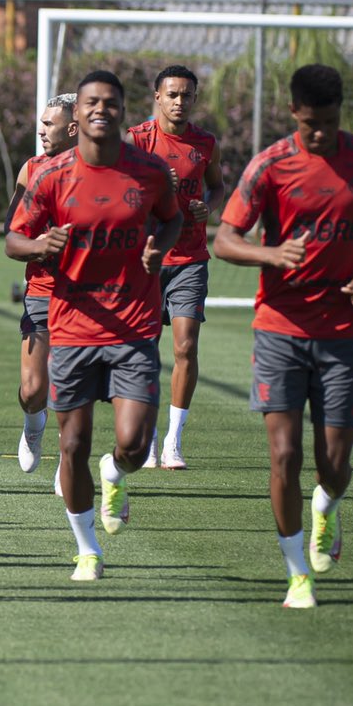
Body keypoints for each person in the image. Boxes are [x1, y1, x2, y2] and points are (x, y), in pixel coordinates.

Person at [213, 64, 353, 609]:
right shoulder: (270, 165)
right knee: (284, 454)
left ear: (341, 113)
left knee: (334, 465)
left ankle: (326, 507)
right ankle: (297, 574)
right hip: (280, 330)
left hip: (343, 332)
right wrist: (271, 254)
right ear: (294, 112)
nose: (320, 133)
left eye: (329, 123)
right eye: (311, 123)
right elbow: (225, 239)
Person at [8, 71, 181, 582]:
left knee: (134, 444)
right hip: (72, 326)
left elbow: (172, 218)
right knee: (72, 443)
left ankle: (115, 472)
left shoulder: (150, 171)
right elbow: (14, 239)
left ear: (122, 111)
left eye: (110, 102)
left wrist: (160, 246)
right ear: (78, 114)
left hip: (133, 325)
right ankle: (87, 550)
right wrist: (40, 245)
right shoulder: (50, 175)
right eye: (91, 103)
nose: (100, 109)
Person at [126, 64, 225, 470]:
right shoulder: (136, 140)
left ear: (195, 99)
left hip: (189, 259)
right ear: (157, 97)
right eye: (172, 94)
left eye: (186, 95)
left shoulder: (205, 143)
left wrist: (208, 207)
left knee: (185, 347)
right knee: (145, 350)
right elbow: (118, 191)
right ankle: (147, 437)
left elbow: (217, 186)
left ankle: (173, 440)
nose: (179, 101)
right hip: (146, 259)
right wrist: (151, 184)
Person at [10, 93, 76, 481]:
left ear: (73, 128)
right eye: (42, 122)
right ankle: (34, 425)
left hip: (85, 296)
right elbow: (11, 235)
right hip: (41, 289)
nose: (41, 130)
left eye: (49, 123)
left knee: (71, 384)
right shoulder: (32, 169)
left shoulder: (100, 172)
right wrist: (40, 245)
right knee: (33, 389)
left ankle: (69, 462)